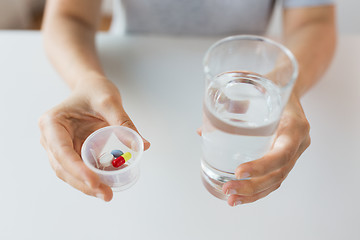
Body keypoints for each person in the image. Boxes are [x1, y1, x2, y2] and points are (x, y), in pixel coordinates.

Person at [38, 0, 336, 206]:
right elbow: (68, 14)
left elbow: (315, 20)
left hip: (247, 76)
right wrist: (85, 79)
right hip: (132, 87)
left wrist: (279, 90)